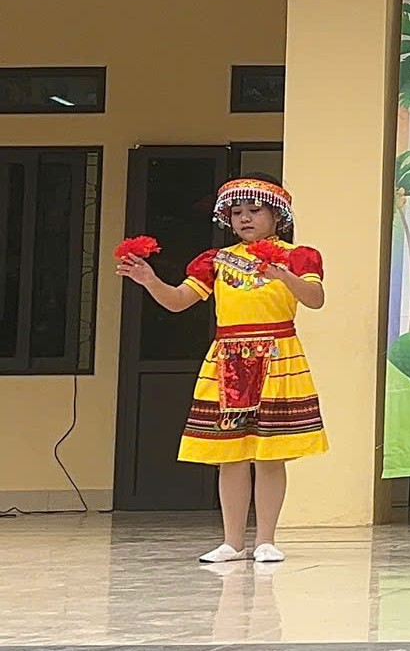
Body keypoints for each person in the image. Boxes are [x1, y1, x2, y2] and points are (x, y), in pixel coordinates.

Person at [115, 176, 326, 564]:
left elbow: (315, 299)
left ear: (277, 216)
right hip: (228, 358)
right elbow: (178, 301)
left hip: (277, 354)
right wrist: (150, 281)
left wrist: (284, 276)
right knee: (230, 454)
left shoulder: (298, 256)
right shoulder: (215, 260)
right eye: (237, 212)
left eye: (254, 210)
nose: (244, 218)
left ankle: (266, 539)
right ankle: (233, 541)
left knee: (269, 453)